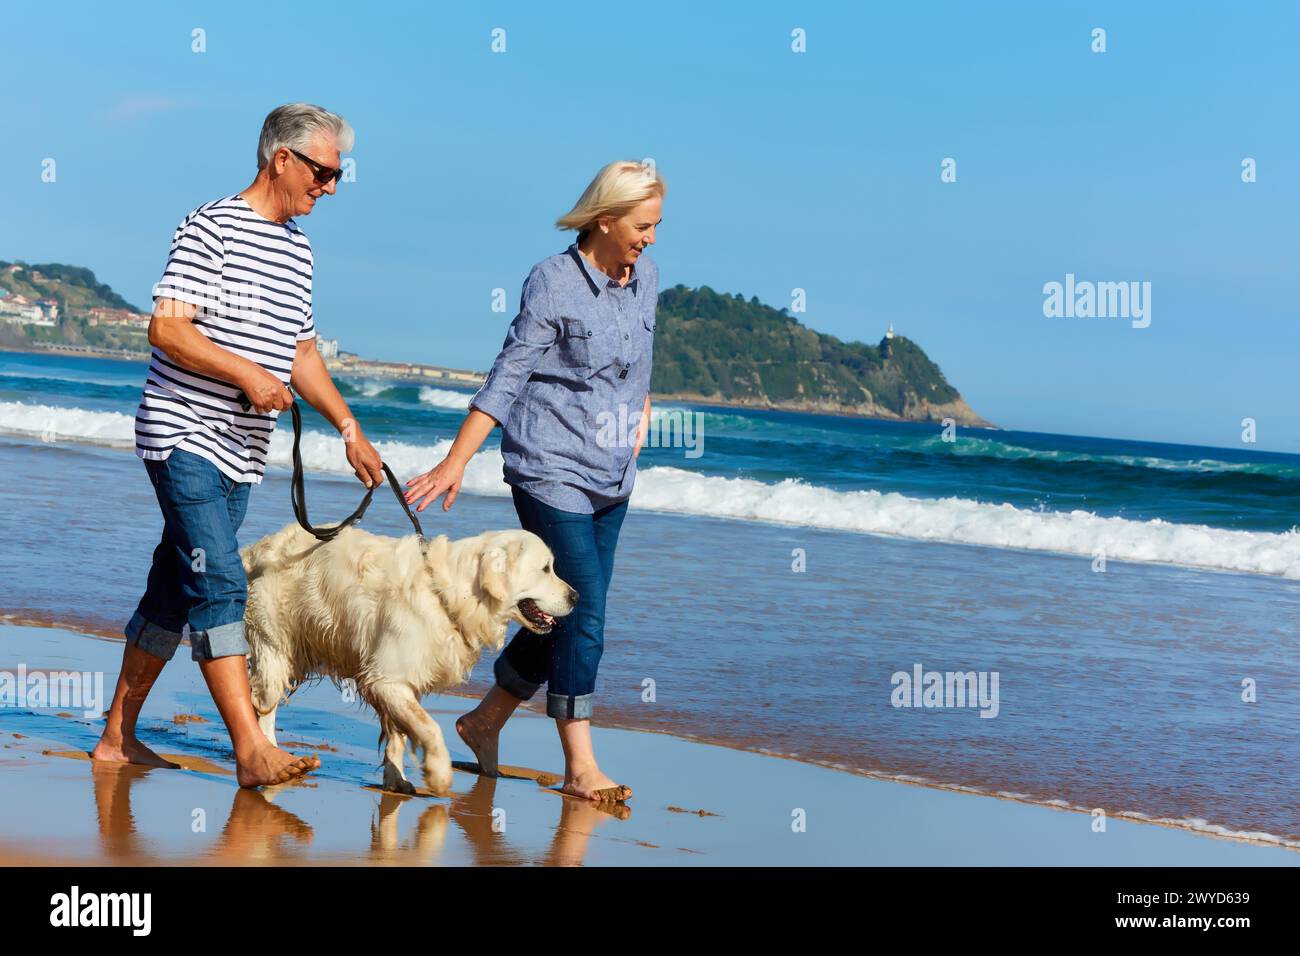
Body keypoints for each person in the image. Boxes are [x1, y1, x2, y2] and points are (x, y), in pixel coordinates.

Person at [91, 103, 384, 788]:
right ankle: (251, 750)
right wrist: (248, 373)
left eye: (338, 176)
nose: (330, 187)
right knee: (221, 581)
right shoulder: (210, 226)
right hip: (183, 434)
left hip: (241, 454)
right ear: (282, 158)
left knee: (175, 586)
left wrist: (350, 428)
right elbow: (167, 330)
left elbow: (302, 354)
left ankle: (115, 738)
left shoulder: (300, 249)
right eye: (324, 172)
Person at [404, 160, 665, 802]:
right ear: (605, 219)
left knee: (559, 610)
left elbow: (638, 363)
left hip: (613, 475)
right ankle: (580, 765)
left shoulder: (646, 277)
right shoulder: (552, 282)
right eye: (642, 225)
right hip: (550, 469)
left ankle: (482, 720)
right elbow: (508, 374)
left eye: (657, 226)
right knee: (588, 612)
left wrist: (643, 411)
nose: (651, 239)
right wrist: (455, 460)